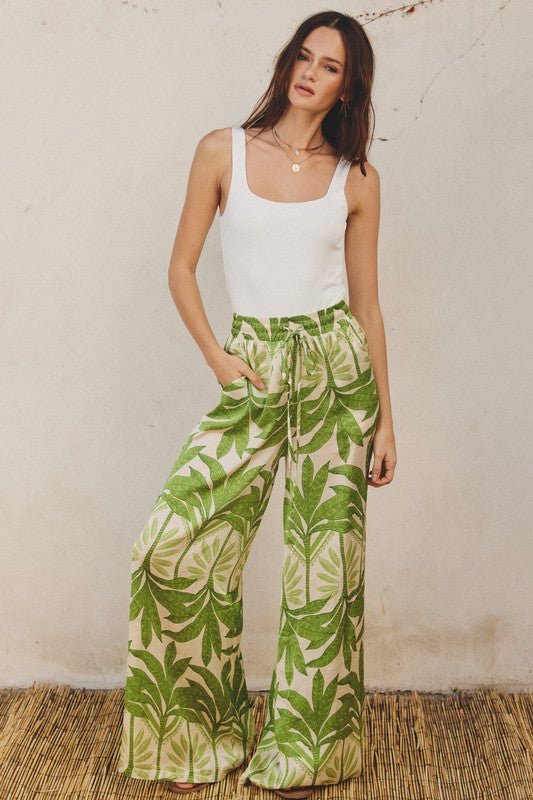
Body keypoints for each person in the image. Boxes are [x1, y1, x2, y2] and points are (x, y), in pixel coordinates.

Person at [118, 9, 396, 799]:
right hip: (255, 364)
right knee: (173, 545)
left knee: (323, 574)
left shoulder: (357, 180)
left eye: (329, 66)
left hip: (336, 373)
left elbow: (367, 306)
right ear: (286, 63)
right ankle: (197, 737)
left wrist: (385, 420)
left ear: (348, 88)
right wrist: (217, 356)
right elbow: (180, 267)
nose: (310, 73)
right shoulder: (223, 151)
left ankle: (306, 752)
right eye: (303, 57)